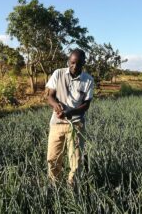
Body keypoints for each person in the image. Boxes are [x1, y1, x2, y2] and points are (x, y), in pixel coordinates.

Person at [45, 48, 94, 186]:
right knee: (53, 158)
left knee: (76, 161)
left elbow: (86, 105)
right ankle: (55, 186)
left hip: (76, 124)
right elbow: (50, 96)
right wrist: (56, 106)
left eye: (78, 64)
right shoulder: (58, 73)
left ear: (84, 63)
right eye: (72, 63)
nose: (75, 67)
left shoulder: (88, 80)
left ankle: (73, 188)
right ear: (68, 61)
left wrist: (69, 113)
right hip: (57, 123)